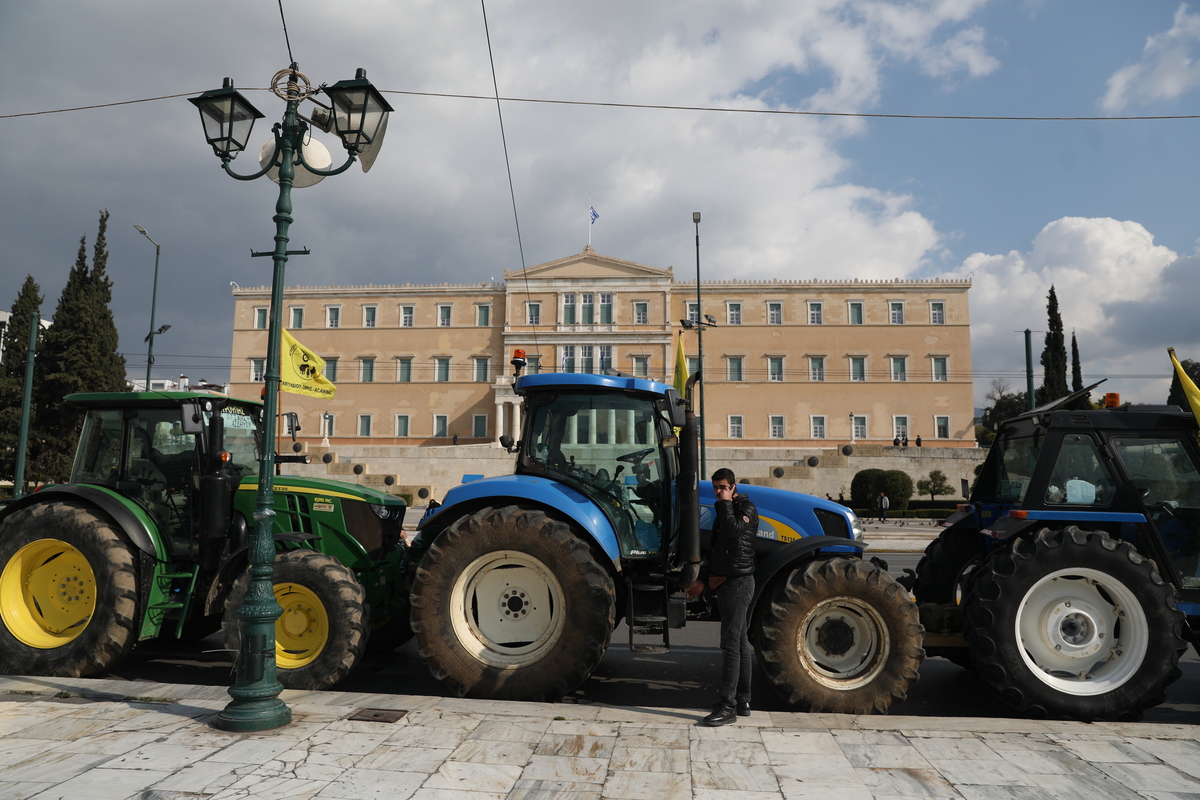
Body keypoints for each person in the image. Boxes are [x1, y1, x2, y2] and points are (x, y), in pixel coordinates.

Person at [687, 468, 758, 727]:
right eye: (716, 487)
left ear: (733, 486)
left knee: (730, 645)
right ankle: (743, 701)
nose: (718, 492)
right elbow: (716, 550)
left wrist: (726, 504)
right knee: (739, 645)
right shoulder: (723, 509)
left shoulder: (746, 509)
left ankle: (727, 706)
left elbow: (732, 530)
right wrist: (701, 582)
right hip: (725, 584)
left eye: (723, 487)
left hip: (739, 585)